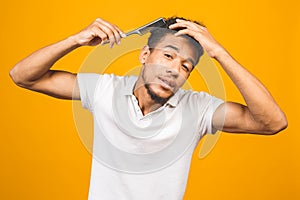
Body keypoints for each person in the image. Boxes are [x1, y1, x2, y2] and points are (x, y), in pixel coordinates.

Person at [10, 17, 287, 200]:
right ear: (145, 55)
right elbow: (23, 76)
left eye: (185, 66)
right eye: (168, 55)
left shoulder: (198, 109)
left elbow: (272, 122)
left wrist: (219, 53)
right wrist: (75, 40)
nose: (174, 70)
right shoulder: (106, 89)